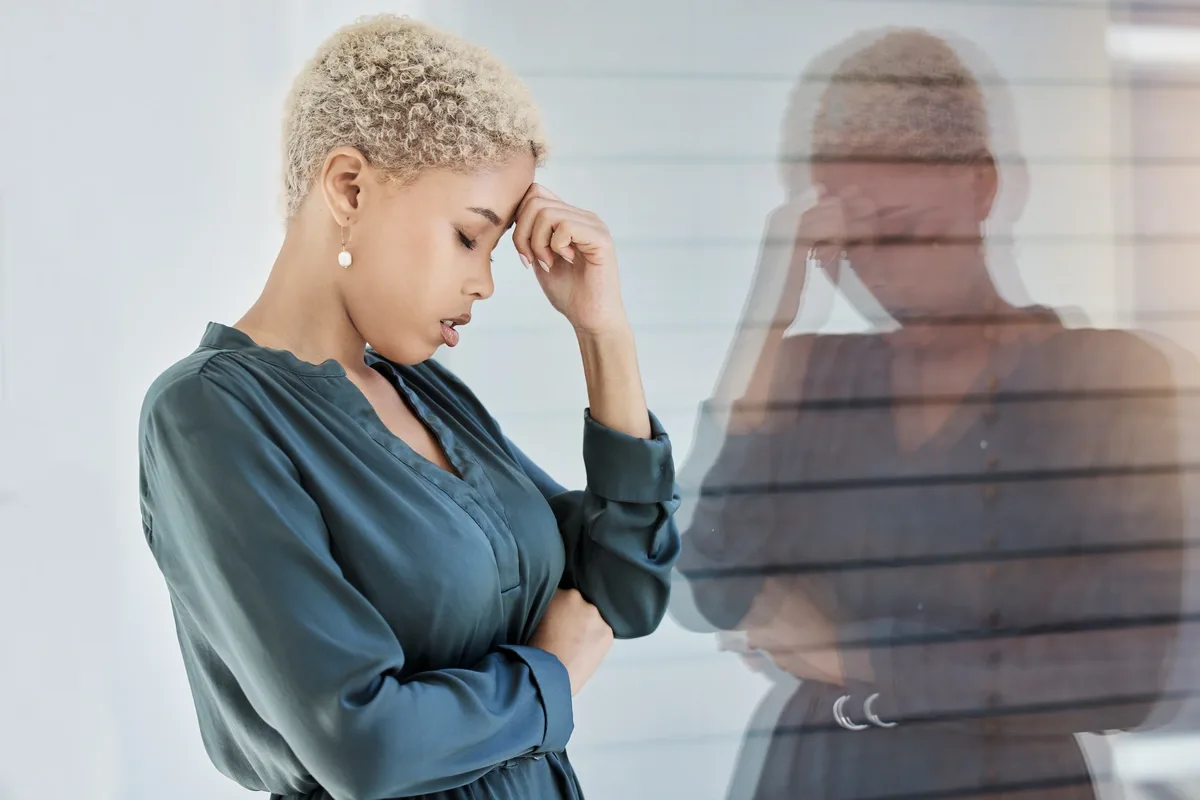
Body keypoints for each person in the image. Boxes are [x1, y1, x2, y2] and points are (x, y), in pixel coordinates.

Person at [137, 15, 681, 800]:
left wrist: (604, 332)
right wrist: (550, 675)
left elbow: (624, 591)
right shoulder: (209, 415)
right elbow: (365, 746)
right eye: (467, 237)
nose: (485, 283)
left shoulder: (425, 392)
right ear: (349, 188)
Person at [673, 28, 1186, 799]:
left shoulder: (1105, 378)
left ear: (983, 188)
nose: (875, 268)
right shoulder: (813, 376)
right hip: (819, 778)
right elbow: (715, 585)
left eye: (904, 230)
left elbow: (1121, 677)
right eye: (846, 241)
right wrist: (770, 317)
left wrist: (853, 655)